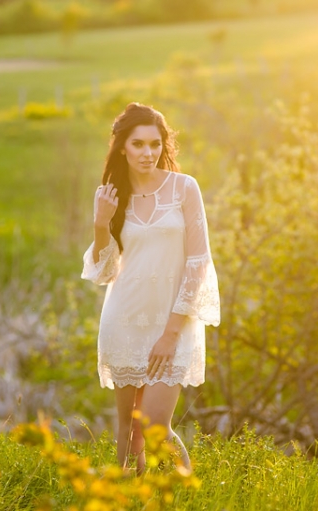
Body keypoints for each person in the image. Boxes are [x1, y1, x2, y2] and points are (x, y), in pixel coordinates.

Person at [81, 102, 220, 473]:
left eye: (155, 144)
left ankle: (186, 495)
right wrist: (100, 225)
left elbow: (198, 262)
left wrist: (170, 333)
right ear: (122, 147)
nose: (148, 153)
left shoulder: (184, 188)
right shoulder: (112, 196)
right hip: (125, 319)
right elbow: (105, 270)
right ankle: (132, 496)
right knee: (129, 432)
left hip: (172, 323)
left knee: (155, 428)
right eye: (139, 144)